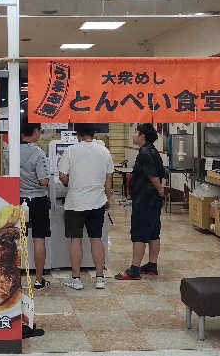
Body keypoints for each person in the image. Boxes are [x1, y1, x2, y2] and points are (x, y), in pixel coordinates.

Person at [58, 124, 114, 290]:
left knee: (76, 239)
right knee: (96, 238)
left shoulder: (71, 150)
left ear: (78, 134)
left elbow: (62, 175)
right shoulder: (104, 151)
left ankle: (76, 279)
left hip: (75, 202)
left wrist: (71, 183)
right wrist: (107, 198)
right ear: (93, 133)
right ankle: (100, 278)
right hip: (97, 201)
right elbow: (108, 179)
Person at [115, 123, 166, 280]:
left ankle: (134, 269)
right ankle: (152, 265)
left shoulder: (144, 152)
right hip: (153, 201)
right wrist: (160, 191)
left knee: (139, 234)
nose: (134, 134)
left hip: (145, 200)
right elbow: (162, 173)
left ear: (142, 135)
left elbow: (152, 175)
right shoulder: (153, 150)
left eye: (136, 132)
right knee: (153, 233)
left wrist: (159, 189)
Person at [20, 120, 51, 290]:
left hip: (17, 199)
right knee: (38, 238)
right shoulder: (38, 153)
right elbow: (44, 180)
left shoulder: (11, 150)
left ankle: (14, 279)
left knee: (16, 239)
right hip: (37, 200)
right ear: (35, 132)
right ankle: (38, 280)